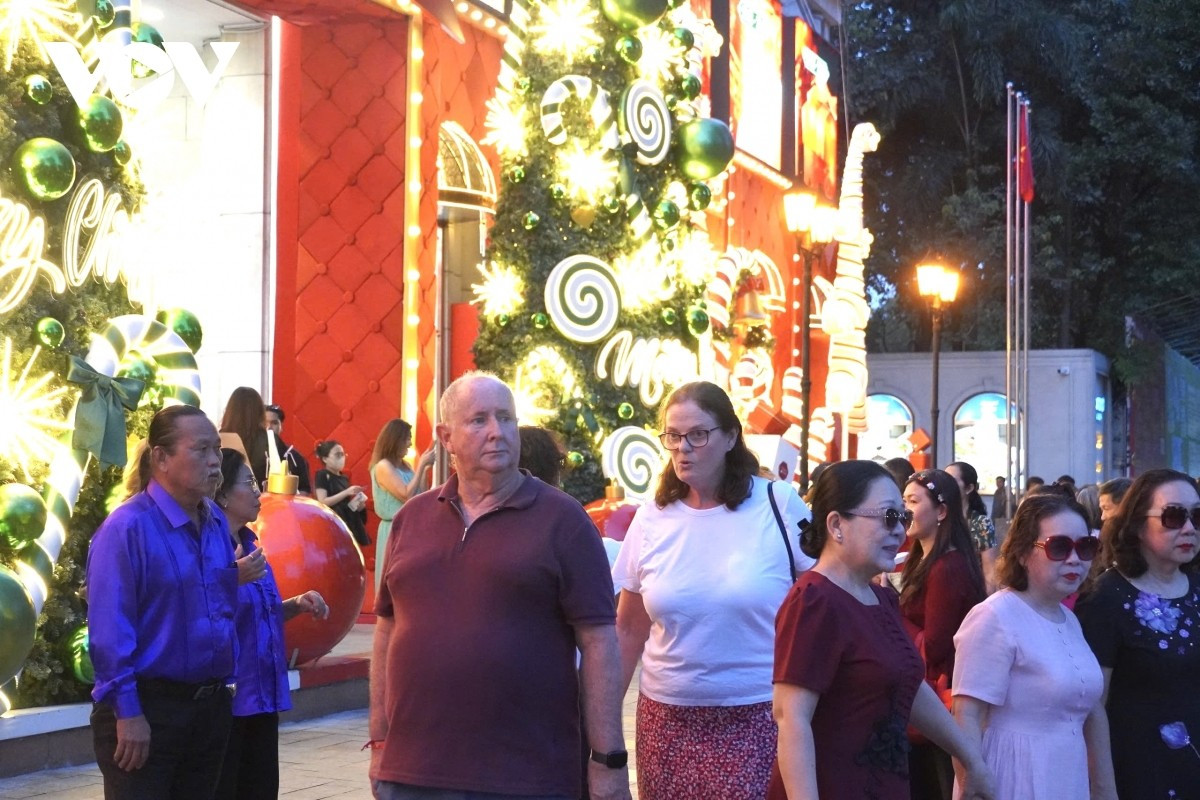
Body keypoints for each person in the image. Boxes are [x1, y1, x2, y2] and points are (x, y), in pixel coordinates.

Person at [368, 372, 630, 800]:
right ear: (445, 437)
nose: (497, 432)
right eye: (479, 420)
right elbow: (387, 630)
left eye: (506, 418)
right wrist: (380, 741)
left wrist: (607, 760)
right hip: (413, 773)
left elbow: (600, 642)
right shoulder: (410, 520)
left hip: (527, 776)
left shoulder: (563, 521)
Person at [613, 381, 813, 799]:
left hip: (759, 715)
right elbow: (629, 629)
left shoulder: (777, 503)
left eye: (698, 434)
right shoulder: (652, 518)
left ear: (731, 437)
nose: (683, 447)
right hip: (666, 720)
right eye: (673, 435)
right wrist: (602, 725)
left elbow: (824, 597)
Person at [768, 460, 994, 800]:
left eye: (902, 517)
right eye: (888, 517)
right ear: (836, 524)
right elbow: (791, 719)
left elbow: (909, 688)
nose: (900, 531)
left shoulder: (881, 596)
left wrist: (970, 758)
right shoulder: (814, 601)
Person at [87, 405, 237, 799]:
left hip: (208, 710)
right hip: (148, 710)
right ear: (161, 458)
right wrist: (128, 712)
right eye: (201, 450)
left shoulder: (216, 521)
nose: (214, 462)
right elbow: (109, 632)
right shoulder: (126, 529)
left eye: (217, 450)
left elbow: (221, 605)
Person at [951, 493, 1116, 800]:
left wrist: (1104, 789)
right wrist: (973, 785)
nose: (1074, 559)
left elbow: (1091, 711)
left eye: (1085, 547)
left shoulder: (1068, 618)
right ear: (1024, 552)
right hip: (1015, 777)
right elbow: (966, 716)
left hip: (1068, 775)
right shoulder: (994, 616)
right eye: (1059, 547)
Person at [1074, 469, 1200, 799]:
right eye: (1174, 516)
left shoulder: (1198, 588)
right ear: (1137, 524)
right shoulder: (1107, 598)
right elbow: (1092, 705)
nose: (1189, 527)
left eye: (1197, 516)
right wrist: (1102, 786)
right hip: (1141, 772)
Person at [212, 449, 329, 799]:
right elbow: (197, 612)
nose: (258, 493)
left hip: (262, 696)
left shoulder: (251, 546)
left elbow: (258, 613)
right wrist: (229, 579)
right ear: (221, 493)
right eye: (248, 483)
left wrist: (294, 605)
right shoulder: (208, 550)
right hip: (229, 700)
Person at [900, 469, 986, 799]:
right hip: (930, 703)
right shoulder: (923, 560)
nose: (905, 509)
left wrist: (892, 615)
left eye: (913, 501)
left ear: (941, 511)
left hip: (941, 702)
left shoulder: (946, 567)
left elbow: (935, 645)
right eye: (903, 500)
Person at [369, 419, 435, 591]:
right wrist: (421, 465)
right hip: (394, 528)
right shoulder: (383, 466)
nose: (410, 443)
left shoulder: (405, 465)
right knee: (395, 579)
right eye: (407, 438)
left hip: (410, 527)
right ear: (395, 440)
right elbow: (405, 494)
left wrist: (425, 469)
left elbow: (420, 494)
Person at [946, 461, 998, 593]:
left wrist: (986, 607)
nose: (945, 485)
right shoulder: (937, 518)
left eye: (952, 480)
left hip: (971, 595)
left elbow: (990, 572)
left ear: (969, 488)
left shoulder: (980, 523)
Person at [314, 439, 370, 547]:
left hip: (347, 523)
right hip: (332, 523)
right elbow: (323, 501)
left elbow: (346, 505)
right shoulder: (322, 475)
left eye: (343, 454)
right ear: (325, 458)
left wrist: (358, 506)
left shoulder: (344, 477)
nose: (341, 458)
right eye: (337, 455)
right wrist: (346, 492)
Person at [220, 387, 272, 487]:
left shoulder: (219, 438)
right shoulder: (270, 441)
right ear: (260, 412)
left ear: (230, 410)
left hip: (224, 498)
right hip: (263, 498)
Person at [265, 403, 312, 494]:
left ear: (281, 426)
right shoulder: (248, 455)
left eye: (274, 423)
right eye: (264, 423)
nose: (269, 427)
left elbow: (304, 490)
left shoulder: (297, 458)